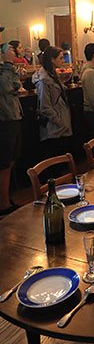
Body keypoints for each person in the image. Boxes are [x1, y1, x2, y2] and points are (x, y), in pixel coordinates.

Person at [32, 46, 73, 158]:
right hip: (54, 128)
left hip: (61, 126)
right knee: (56, 159)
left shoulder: (53, 75)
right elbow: (45, 106)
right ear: (52, 59)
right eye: (60, 58)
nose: (63, 61)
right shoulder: (44, 80)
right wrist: (59, 121)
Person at [0, 43, 22, 215]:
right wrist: (8, 64)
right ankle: (3, 204)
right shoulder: (4, 69)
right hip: (4, 118)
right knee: (4, 162)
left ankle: (6, 198)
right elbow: (8, 87)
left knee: (12, 158)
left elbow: (15, 86)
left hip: (12, 116)